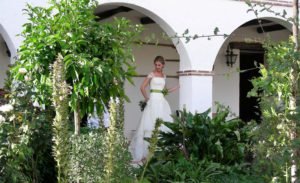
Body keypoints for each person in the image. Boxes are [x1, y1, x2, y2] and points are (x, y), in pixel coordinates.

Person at [129, 55, 179, 163]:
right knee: (149, 126)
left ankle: (159, 153)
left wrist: (176, 87)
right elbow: (142, 87)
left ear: (163, 65)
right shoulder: (151, 74)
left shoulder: (164, 76)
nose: (157, 66)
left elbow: (165, 91)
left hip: (162, 102)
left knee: (162, 126)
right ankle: (146, 154)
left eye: (159, 65)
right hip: (153, 101)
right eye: (156, 64)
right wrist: (147, 98)